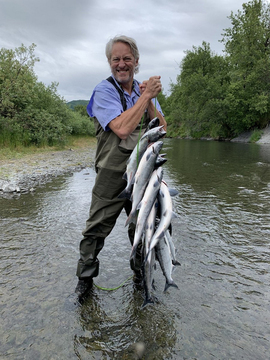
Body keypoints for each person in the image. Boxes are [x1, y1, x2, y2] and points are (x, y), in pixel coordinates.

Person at [75, 35, 167, 300]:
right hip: (111, 171)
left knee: (143, 223)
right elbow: (123, 128)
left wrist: (148, 98)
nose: (122, 64)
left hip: (143, 173)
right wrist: (146, 95)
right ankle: (85, 281)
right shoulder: (103, 91)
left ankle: (141, 276)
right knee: (96, 227)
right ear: (109, 62)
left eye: (127, 58)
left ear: (136, 62)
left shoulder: (142, 90)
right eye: (116, 59)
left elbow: (162, 129)